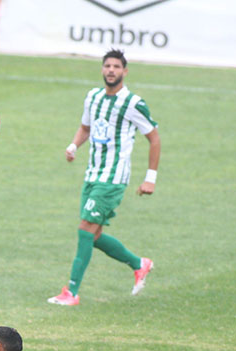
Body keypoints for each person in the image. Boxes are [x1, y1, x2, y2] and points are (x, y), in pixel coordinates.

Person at [48, 48, 161, 306]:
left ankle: (71, 292)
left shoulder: (133, 103)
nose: (111, 70)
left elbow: (154, 138)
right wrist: (74, 146)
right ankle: (138, 264)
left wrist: (150, 178)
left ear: (125, 71)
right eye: (107, 66)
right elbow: (86, 127)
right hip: (92, 174)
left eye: (116, 67)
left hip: (112, 179)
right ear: (102, 69)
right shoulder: (93, 97)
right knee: (94, 235)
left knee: (84, 230)